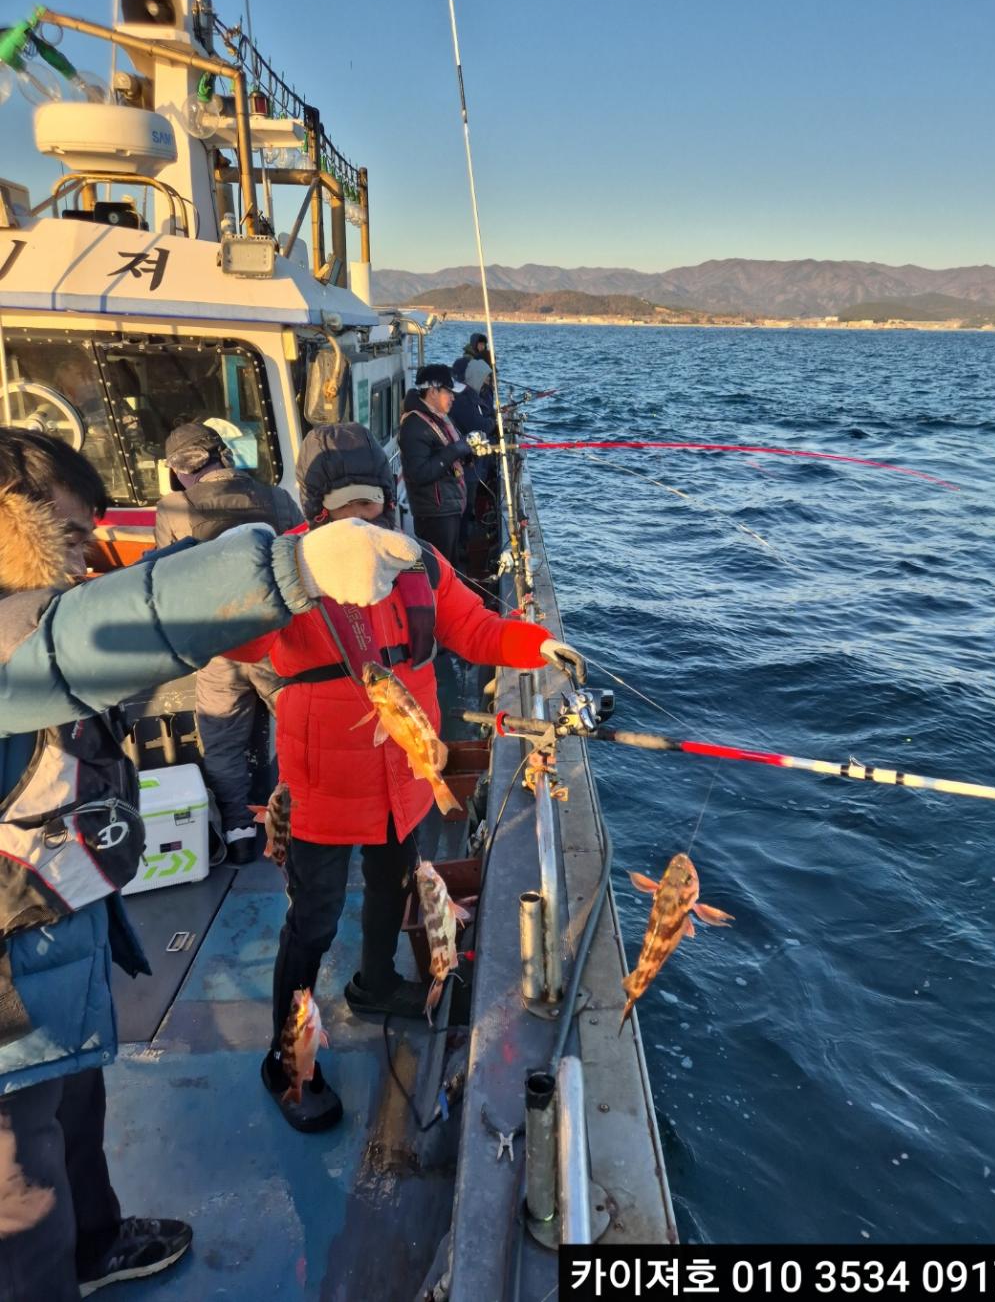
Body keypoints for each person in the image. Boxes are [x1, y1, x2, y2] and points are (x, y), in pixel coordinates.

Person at [0, 428, 422, 1300]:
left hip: (48, 932)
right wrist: (286, 574)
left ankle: (95, 1242)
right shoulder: (22, 633)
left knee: (72, 1108)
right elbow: (105, 628)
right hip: (16, 963)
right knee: (18, 1187)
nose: (81, 567)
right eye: (72, 541)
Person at [226, 422, 586, 1133]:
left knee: (394, 880)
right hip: (324, 790)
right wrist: (267, 575)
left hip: (406, 775)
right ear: (317, 508)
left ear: (389, 500)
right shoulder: (289, 571)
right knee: (313, 919)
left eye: (372, 505)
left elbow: (478, 629)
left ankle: (377, 982)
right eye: (343, 509)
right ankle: (284, 1056)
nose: (361, 523)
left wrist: (538, 644)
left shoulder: (416, 561)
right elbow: (236, 638)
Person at [154, 421, 304, 862]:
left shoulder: (173, 508)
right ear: (224, 455)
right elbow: (303, 565)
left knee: (221, 739)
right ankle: (305, 819)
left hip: (218, 649)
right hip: (278, 645)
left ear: (179, 469)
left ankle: (239, 829)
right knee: (299, 731)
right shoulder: (278, 499)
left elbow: (167, 583)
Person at [398, 364, 475, 567]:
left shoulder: (437, 419)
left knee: (449, 567)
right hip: (434, 514)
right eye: (448, 391)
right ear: (433, 391)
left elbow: (444, 454)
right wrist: (456, 450)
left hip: (448, 508)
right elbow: (419, 473)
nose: (453, 397)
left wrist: (467, 453)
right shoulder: (415, 425)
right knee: (440, 570)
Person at [449, 361, 497, 550]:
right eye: (485, 376)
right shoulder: (464, 400)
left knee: (468, 502)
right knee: (465, 504)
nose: (488, 381)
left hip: (473, 461)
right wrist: (493, 421)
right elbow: (480, 425)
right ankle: (462, 545)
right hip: (468, 464)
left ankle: (463, 541)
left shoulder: (471, 396)